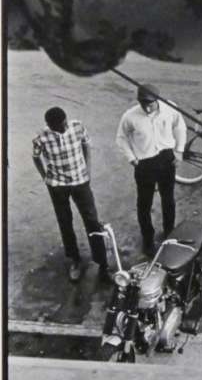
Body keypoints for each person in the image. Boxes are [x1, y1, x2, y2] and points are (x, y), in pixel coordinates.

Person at [32, 106, 109, 283]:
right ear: (50, 126)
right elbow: (36, 157)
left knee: (92, 220)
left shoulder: (77, 127)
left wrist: (88, 169)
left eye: (63, 124)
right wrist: (45, 177)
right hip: (58, 185)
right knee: (65, 221)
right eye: (57, 126)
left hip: (80, 181)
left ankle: (102, 262)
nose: (62, 128)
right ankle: (74, 260)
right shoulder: (41, 137)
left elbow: (86, 145)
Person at [116, 84, 186, 256]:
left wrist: (179, 151)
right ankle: (148, 239)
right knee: (144, 203)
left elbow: (180, 127)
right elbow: (121, 138)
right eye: (143, 103)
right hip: (145, 163)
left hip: (166, 158)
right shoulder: (130, 116)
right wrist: (132, 158)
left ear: (158, 99)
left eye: (150, 103)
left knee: (168, 198)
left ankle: (169, 232)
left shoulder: (170, 109)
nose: (147, 107)